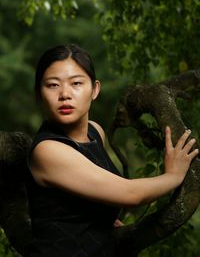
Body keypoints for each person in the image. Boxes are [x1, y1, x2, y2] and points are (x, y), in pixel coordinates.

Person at [25, 44, 198, 257]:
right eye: (52, 85)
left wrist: (102, 218)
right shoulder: (48, 151)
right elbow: (129, 194)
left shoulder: (95, 132)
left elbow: (83, 195)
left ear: (95, 89)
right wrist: (174, 175)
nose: (65, 94)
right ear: (38, 94)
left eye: (77, 83)